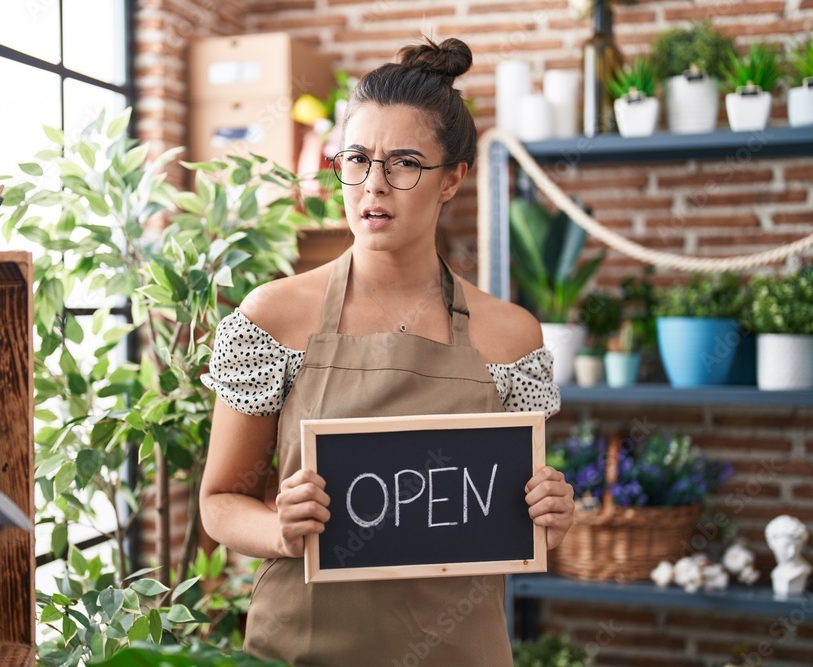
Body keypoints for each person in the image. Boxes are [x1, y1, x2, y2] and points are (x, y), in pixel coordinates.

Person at [199, 37, 575, 666]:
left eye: (404, 162)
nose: (373, 185)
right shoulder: (273, 317)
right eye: (356, 159)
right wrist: (280, 530)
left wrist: (549, 511)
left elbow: (506, 505)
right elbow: (220, 502)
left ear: (453, 178)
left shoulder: (512, 336)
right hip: (303, 647)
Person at [765, 514, 811, 598]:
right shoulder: (777, 572)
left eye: (797, 547)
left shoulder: (804, 569)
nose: (792, 552)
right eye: (785, 547)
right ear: (772, 544)